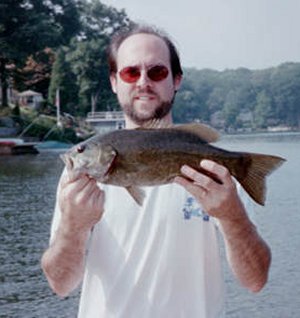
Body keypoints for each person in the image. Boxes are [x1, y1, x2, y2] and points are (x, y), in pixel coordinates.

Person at [41, 24, 271, 318]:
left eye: (157, 72)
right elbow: (60, 285)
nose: (143, 82)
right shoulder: (79, 178)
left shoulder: (217, 174)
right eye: (130, 72)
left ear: (176, 80)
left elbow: (256, 281)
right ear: (114, 81)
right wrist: (73, 227)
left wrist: (232, 216)